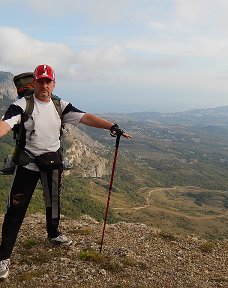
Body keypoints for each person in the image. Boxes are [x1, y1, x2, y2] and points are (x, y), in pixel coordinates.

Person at [0, 64, 132, 279]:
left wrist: (111, 126)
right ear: (34, 83)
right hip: (27, 165)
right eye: (40, 81)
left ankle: (53, 235)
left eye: (48, 81)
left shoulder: (60, 105)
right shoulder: (22, 105)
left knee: (54, 202)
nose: (44, 85)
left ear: (53, 83)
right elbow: (5, 124)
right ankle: (3, 257)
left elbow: (85, 117)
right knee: (16, 210)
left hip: (52, 163)